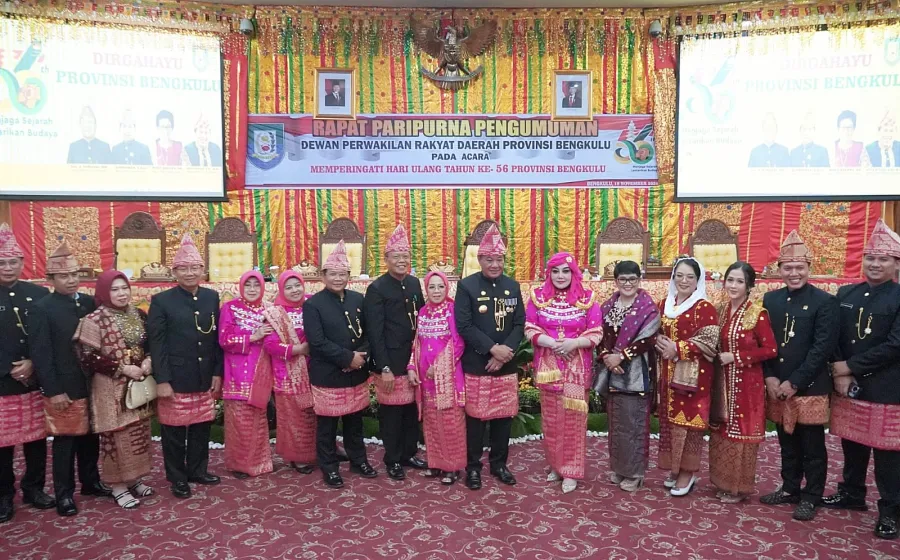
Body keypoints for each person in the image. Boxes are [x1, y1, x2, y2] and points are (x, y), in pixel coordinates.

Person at [825, 219, 900, 540]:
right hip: (849, 385)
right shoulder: (846, 293)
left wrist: (848, 367)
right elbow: (833, 336)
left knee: (888, 454)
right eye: (870, 258)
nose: (875, 264)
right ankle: (852, 493)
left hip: (886, 387)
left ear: (896, 263)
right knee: (852, 443)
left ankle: (891, 512)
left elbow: (895, 345)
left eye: (883, 259)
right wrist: (841, 370)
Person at [760, 231, 837, 521]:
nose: (794, 273)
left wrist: (794, 382)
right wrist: (770, 378)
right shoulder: (771, 299)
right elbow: (764, 343)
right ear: (780, 270)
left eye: (799, 268)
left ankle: (811, 496)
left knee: (812, 446)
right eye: (788, 268)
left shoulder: (824, 301)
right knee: (786, 441)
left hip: (810, 386)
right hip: (778, 384)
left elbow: (822, 349)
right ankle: (790, 487)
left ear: (809, 268)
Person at [29, 241, 109, 517]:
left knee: (91, 438)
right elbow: (41, 354)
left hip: (92, 383)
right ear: (50, 279)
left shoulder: (87, 303)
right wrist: (53, 391)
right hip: (64, 386)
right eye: (64, 275)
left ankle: (91, 482)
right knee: (65, 442)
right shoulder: (42, 308)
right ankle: (64, 494)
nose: (72, 280)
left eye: (75, 274)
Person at [148, 234, 223, 498]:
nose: (190, 273)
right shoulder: (161, 301)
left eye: (195, 268)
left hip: (204, 375)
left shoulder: (212, 297)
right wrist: (162, 379)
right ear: (174, 271)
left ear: (203, 270)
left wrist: (217, 372)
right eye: (184, 268)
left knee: (202, 426)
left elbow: (215, 339)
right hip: (176, 376)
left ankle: (198, 470)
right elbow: (157, 344)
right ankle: (177, 477)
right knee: (174, 432)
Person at [74, 271, 155, 509]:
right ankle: (117, 486)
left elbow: (148, 345)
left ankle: (134, 479)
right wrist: (122, 368)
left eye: (124, 288)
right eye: (115, 289)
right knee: (115, 435)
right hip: (109, 387)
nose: (121, 294)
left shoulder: (138, 314)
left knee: (137, 433)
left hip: (138, 384)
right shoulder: (93, 320)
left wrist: (148, 360)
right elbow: (87, 357)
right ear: (104, 292)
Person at [455, 224, 525, 490]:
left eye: (499, 259)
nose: (495, 264)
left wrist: (504, 353)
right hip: (478, 364)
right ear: (480, 259)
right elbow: (464, 325)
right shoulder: (467, 286)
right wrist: (492, 349)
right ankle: (473, 467)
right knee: (475, 420)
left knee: (502, 419)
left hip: (505, 366)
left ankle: (499, 464)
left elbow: (519, 324)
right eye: (489, 259)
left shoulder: (513, 286)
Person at [525, 253, 602, 494]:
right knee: (551, 420)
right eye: (556, 271)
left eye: (565, 271)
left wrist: (573, 344)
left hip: (576, 369)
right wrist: (551, 342)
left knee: (574, 421)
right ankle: (556, 466)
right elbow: (529, 327)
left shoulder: (588, 299)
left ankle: (571, 471)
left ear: (574, 273)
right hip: (549, 368)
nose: (560, 276)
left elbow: (596, 332)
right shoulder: (538, 298)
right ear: (549, 273)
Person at [304, 240, 375, 488]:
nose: (337, 278)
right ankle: (330, 468)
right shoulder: (313, 304)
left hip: (356, 372)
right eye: (332, 274)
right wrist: (347, 358)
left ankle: (359, 460)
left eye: (342, 274)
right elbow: (317, 342)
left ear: (349, 275)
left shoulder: (358, 299)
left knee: (355, 423)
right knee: (327, 426)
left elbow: (369, 333)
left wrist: (360, 357)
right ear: (323, 275)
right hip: (328, 374)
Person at [708, 262, 777, 504]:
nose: (733, 285)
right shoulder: (721, 310)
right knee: (722, 428)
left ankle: (738, 488)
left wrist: (737, 358)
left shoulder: (757, 314)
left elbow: (770, 349)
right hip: (723, 381)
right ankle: (721, 482)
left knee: (741, 432)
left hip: (748, 384)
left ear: (749, 286)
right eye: (730, 280)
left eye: (739, 281)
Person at [0, 223, 54, 522]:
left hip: (34, 380)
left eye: (12, 262)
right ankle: (4, 495)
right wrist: (9, 368)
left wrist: (33, 362)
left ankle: (34, 487)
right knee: (2, 444)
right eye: (2, 263)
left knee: (35, 440)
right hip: (2, 382)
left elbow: (46, 337)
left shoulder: (38, 294)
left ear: (22, 263)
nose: (8, 267)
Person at [365, 225, 427, 481]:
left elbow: (422, 319)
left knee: (411, 411)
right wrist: (384, 368)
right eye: (396, 256)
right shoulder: (377, 289)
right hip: (390, 361)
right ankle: (392, 458)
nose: (401, 261)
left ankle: (408, 453)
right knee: (392, 415)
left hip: (415, 360)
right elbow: (374, 334)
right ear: (386, 259)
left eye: (405, 257)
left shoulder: (414, 283)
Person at [654, 257, 719, 496]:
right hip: (667, 373)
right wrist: (658, 341)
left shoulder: (704, 307)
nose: (684, 281)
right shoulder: (664, 304)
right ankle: (675, 467)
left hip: (695, 377)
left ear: (698, 280)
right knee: (670, 421)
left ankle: (687, 472)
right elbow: (654, 331)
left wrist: (678, 349)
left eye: (690, 277)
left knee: (689, 421)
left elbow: (710, 340)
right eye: (679, 275)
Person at [594, 260, 660, 492]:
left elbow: (649, 338)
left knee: (634, 423)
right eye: (623, 279)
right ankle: (619, 468)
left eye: (633, 279)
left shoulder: (647, 307)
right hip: (612, 372)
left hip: (636, 373)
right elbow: (599, 335)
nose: (628, 283)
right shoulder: (608, 306)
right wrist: (606, 357)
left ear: (639, 280)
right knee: (618, 423)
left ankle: (635, 473)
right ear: (616, 281)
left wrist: (621, 357)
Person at [408, 271, 466, 485]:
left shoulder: (452, 311)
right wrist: (412, 367)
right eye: (431, 287)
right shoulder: (422, 312)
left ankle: (452, 467)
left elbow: (459, 343)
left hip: (448, 376)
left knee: (450, 421)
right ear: (426, 289)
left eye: (440, 286)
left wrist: (439, 367)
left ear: (447, 288)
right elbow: (417, 343)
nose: (436, 291)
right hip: (426, 379)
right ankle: (436, 463)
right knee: (432, 422)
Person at [219, 270, 273, 479]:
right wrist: (253, 336)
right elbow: (224, 340)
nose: (252, 289)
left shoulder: (269, 309)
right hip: (237, 372)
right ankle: (240, 464)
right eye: (248, 285)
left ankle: (260, 463)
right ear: (241, 287)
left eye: (256, 285)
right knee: (240, 420)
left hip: (262, 371)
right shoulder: (230, 308)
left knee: (258, 419)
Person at [262, 271, 316, 475]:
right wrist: (298, 350)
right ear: (281, 290)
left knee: (316, 413)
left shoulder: (312, 305)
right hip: (288, 373)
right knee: (294, 417)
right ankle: (298, 457)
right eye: (289, 287)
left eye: (298, 285)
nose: (295, 290)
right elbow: (270, 345)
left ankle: (320, 450)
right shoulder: (275, 313)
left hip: (314, 370)